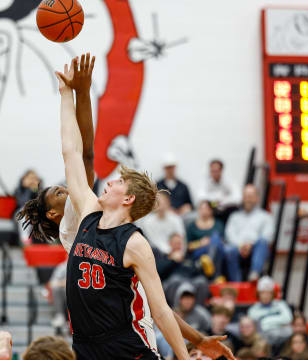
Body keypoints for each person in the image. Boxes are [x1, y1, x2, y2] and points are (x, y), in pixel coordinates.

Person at [55, 54, 232, 360]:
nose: (107, 184)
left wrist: (183, 354)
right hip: (85, 345)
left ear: (129, 199)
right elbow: (71, 151)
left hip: (125, 345)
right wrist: (66, 94)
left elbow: (161, 309)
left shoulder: (135, 243)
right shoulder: (87, 213)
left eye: (116, 183)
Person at [223, 184, 274, 281]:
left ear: (257, 198)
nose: (248, 199)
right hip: (238, 249)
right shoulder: (234, 216)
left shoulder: (266, 216)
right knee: (229, 250)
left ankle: (254, 274)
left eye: (251, 196)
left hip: (256, 249)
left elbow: (268, 236)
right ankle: (236, 284)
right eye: (246, 196)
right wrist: (241, 245)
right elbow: (229, 234)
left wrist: (250, 245)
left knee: (263, 242)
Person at [156, 234, 209, 307]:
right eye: (176, 243)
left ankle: (197, 309)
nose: (178, 245)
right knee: (175, 280)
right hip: (174, 282)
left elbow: (197, 272)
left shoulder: (188, 257)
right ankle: (175, 309)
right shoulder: (165, 257)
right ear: (170, 244)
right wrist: (172, 260)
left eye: (180, 243)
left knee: (202, 281)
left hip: (190, 281)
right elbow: (159, 272)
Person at [247, 276, 292, 346]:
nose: (265, 296)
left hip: (283, 339)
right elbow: (259, 327)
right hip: (262, 342)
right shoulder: (253, 309)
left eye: (268, 293)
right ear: (258, 294)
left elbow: (288, 319)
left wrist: (265, 321)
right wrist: (278, 322)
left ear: (272, 294)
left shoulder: (281, 304)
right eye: (263, 293)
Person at [185, 200, 224, 280]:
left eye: (206, 209)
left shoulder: (218, 224)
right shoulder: (192, 226)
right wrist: (200, 243)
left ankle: (209, 260)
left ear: (211, 210)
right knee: (215, 240)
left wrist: (211, 242)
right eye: (201, 209)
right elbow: (188, 246)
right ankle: (217, 276)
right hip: (199, 251)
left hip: (216, 249)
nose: (204, 211)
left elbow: (222, 241)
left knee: (216, 239)